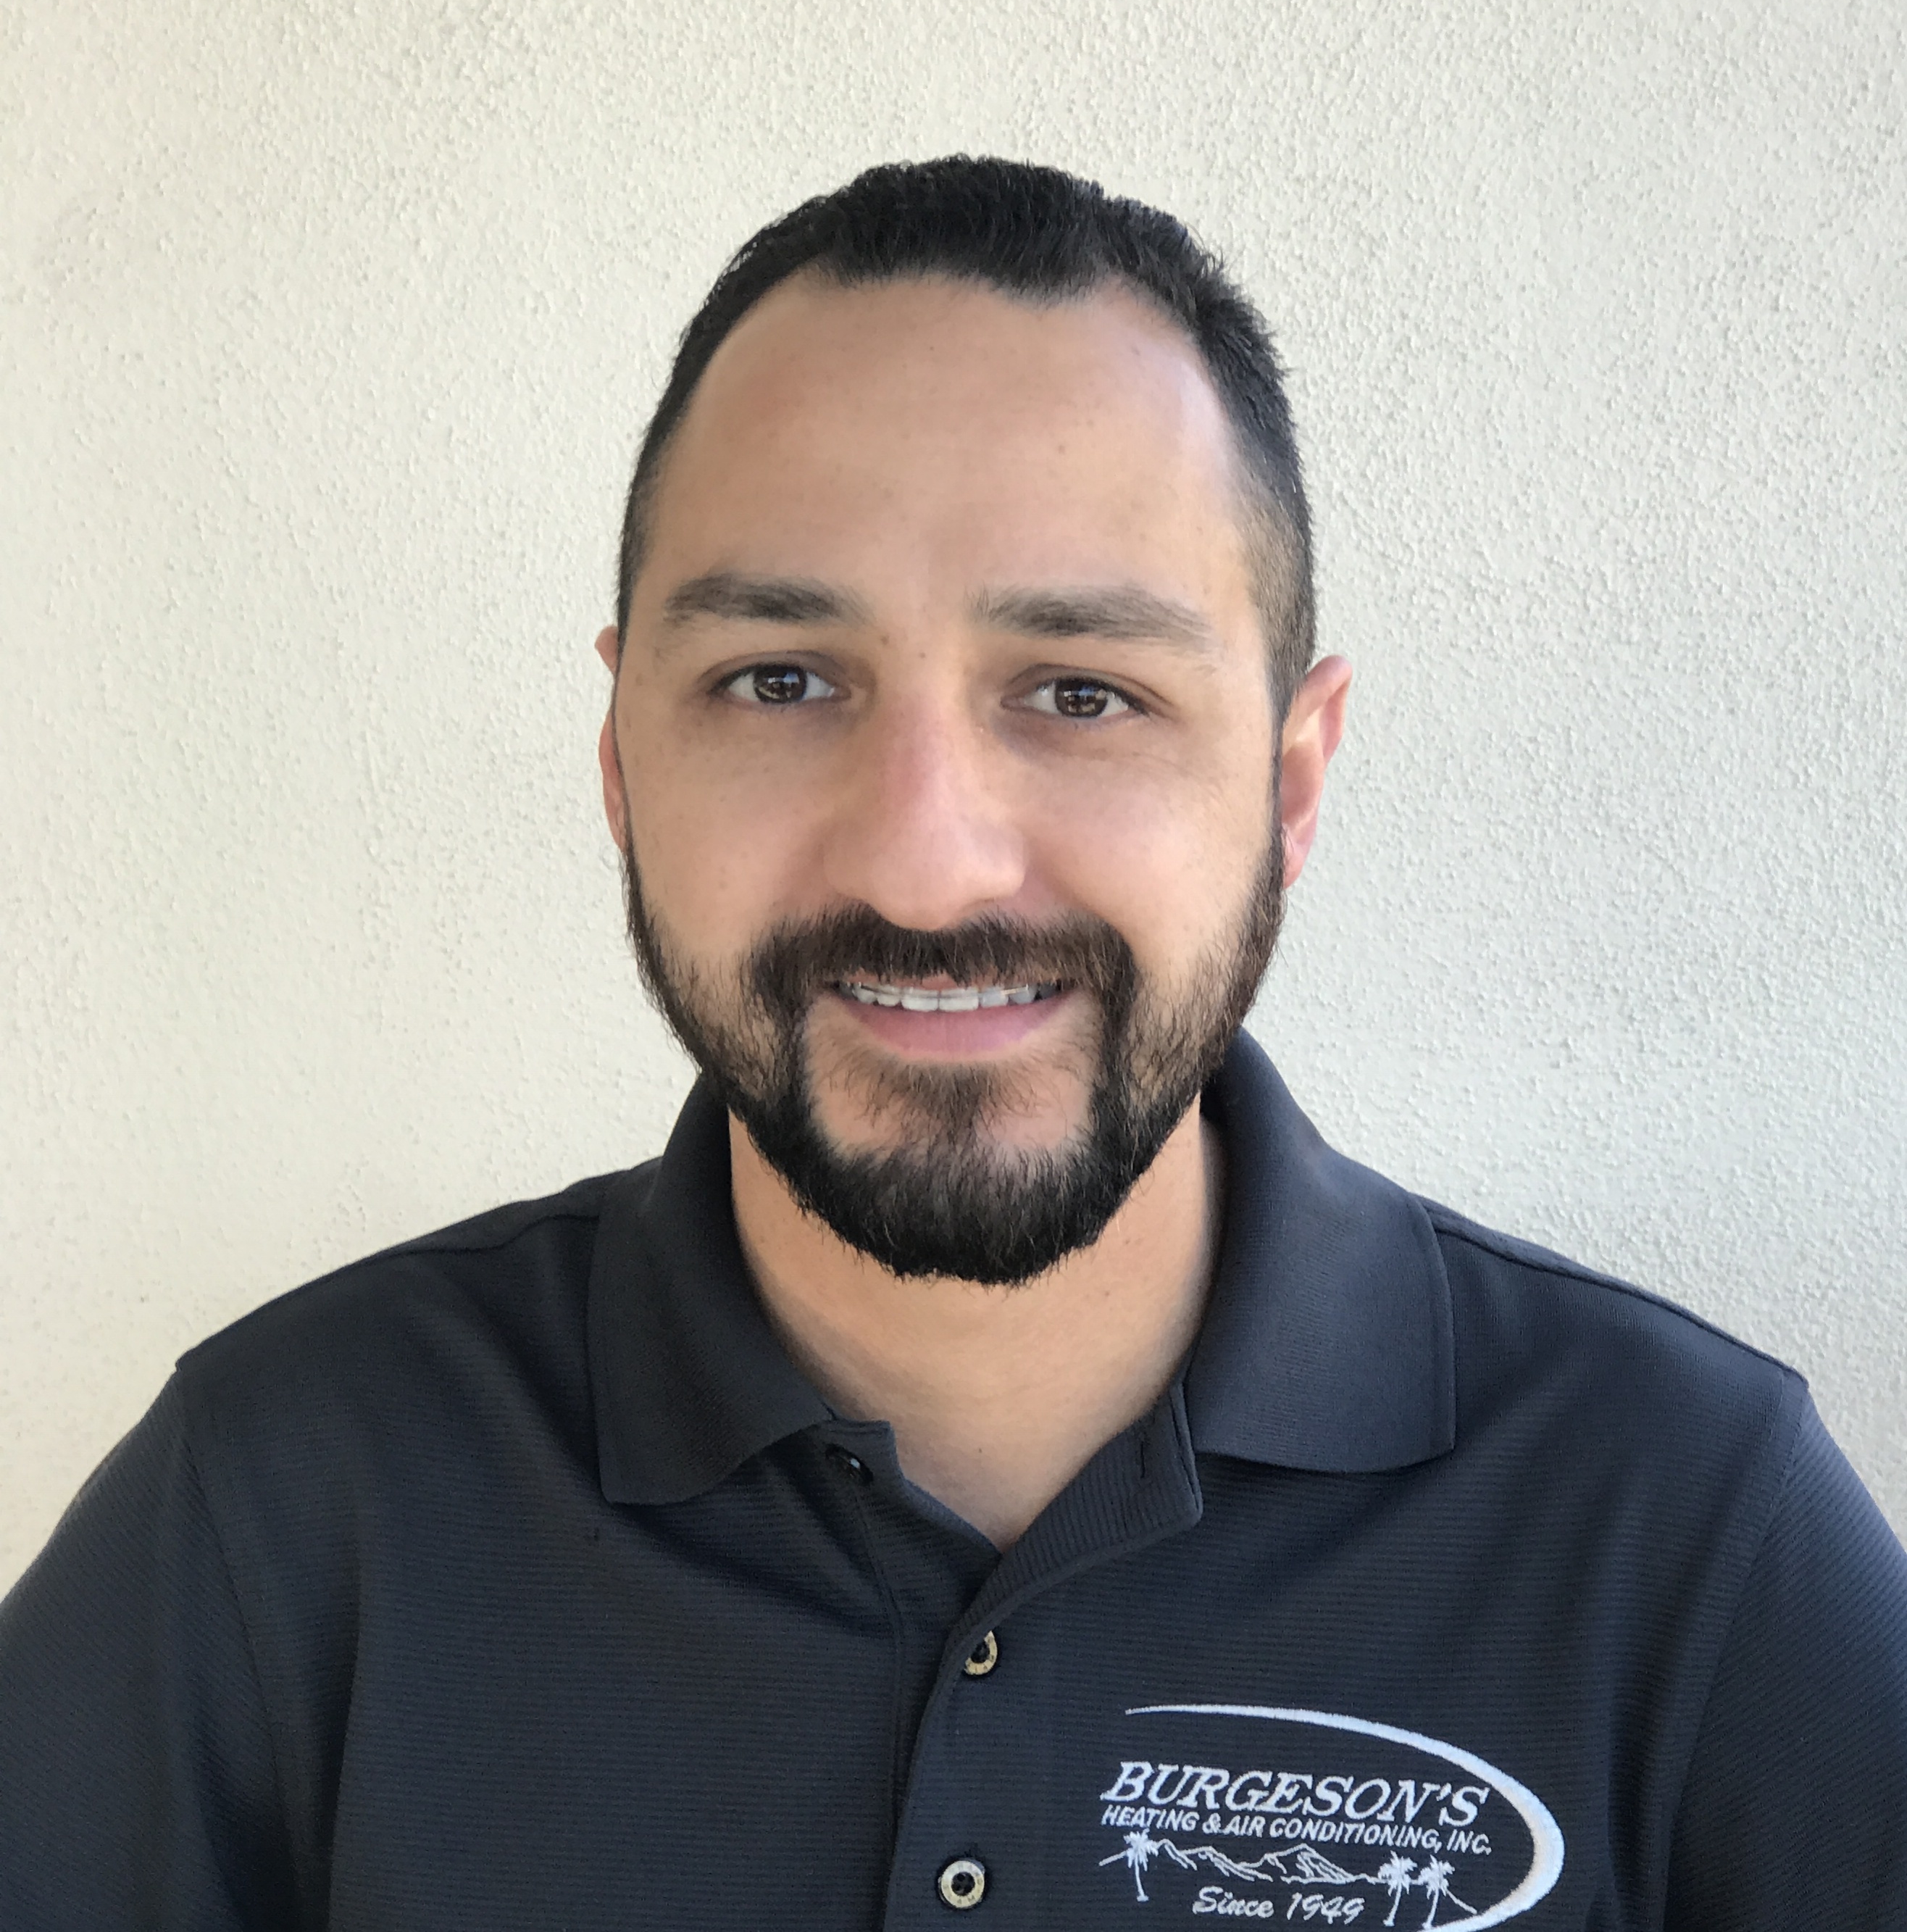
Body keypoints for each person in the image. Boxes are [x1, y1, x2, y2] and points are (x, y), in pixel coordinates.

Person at [1, 157, 1902, 1931]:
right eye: (780, 680)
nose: (924, 863)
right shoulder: (279, 1509)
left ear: (1292, 779)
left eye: (1081, 691)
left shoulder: (1681, 1528)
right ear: (622, 755)